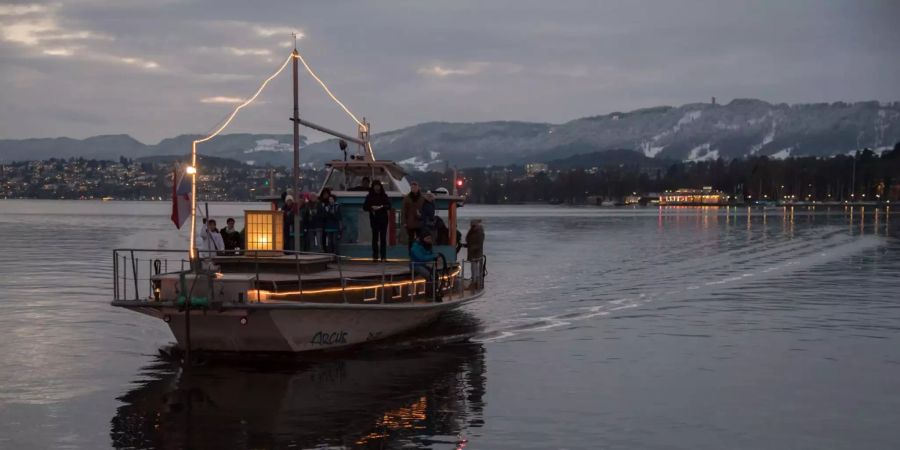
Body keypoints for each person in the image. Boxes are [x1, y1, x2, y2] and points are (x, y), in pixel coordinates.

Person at [363, 179, 391, 261]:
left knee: (383, 238)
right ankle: (375, 256)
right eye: (375, 186)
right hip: (374, 219)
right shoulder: (369, 196)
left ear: (380, 186)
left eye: (378, 186)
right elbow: (364, 207)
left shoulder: (384, 195)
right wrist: (371, 207)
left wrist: (381, 207)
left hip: (383, 219)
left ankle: (383, 257)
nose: (377, 187)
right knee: (375, 238)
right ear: (373, 186)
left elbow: (389, 206)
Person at [402, 181, 425, 250]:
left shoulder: (422, 198)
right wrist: (404, 222)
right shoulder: (407, 198)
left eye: (415, 187)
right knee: (411, 239)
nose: (414, 189)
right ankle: (411, 253)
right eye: (412, 187)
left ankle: (419, 253)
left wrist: (422, 216)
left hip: (419, 222)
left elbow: (425, 209)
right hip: (410, 222)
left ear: (418, 188)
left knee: (420, 239)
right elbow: (404, 211)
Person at [465, 219, 485, 289]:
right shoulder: (472, 231)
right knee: (473, 268)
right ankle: (474, 282)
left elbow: (479, 243)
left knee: (475, 268)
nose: (471, 226)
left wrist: (472, 248)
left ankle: (475, 283)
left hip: (476, 253)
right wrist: (467, 245)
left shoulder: (479, 232)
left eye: (472, 225)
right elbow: (469, 240)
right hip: (472, 253)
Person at [321, 188, 342, 254]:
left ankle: (336, 255)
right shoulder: (326, 207)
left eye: (332, 199)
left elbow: (338, 217)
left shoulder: (337, 207)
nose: (330, 200)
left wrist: (331, 213)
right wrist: (327, 212)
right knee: (329, 241)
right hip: (328, 226)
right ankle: (330, 254)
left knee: (334, 241)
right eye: (329, 199)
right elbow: (324, 216)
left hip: (335, 226)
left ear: (334, 200)